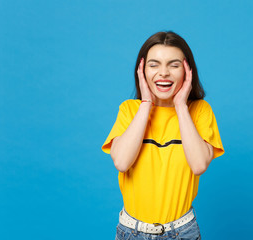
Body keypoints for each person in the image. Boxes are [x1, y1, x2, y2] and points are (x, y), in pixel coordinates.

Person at [102, 31, 224, 240]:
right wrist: (146, 104)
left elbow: (198, 165)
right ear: (142, 70)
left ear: (187, 71)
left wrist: (180, 106)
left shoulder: (200, 111)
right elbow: (122, 162)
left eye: (174, 65)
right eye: (154, 64)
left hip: (182, 232)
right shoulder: (129, 110)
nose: (163, 72)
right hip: (131, 232)